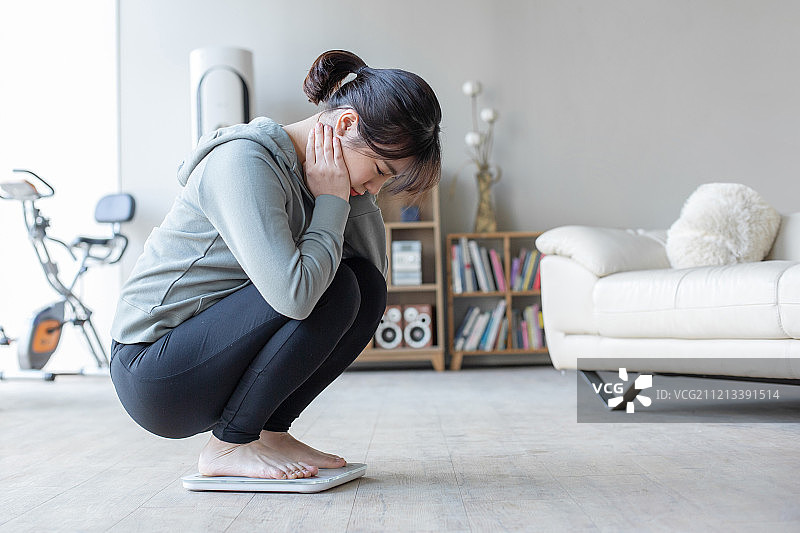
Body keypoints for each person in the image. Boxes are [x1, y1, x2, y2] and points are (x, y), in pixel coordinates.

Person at [109, 50, 442, 480]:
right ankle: (229, 448)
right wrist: (333, 199)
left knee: (362, 285)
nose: (376, 186)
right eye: (379, 170)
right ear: (344, 125)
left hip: (208, 356)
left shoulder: (320, 177)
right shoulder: (243, 163)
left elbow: (373, 280)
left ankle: (269, 431)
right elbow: (295, 297)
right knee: (330, 286)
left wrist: (350, 195)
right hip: (154, 372)